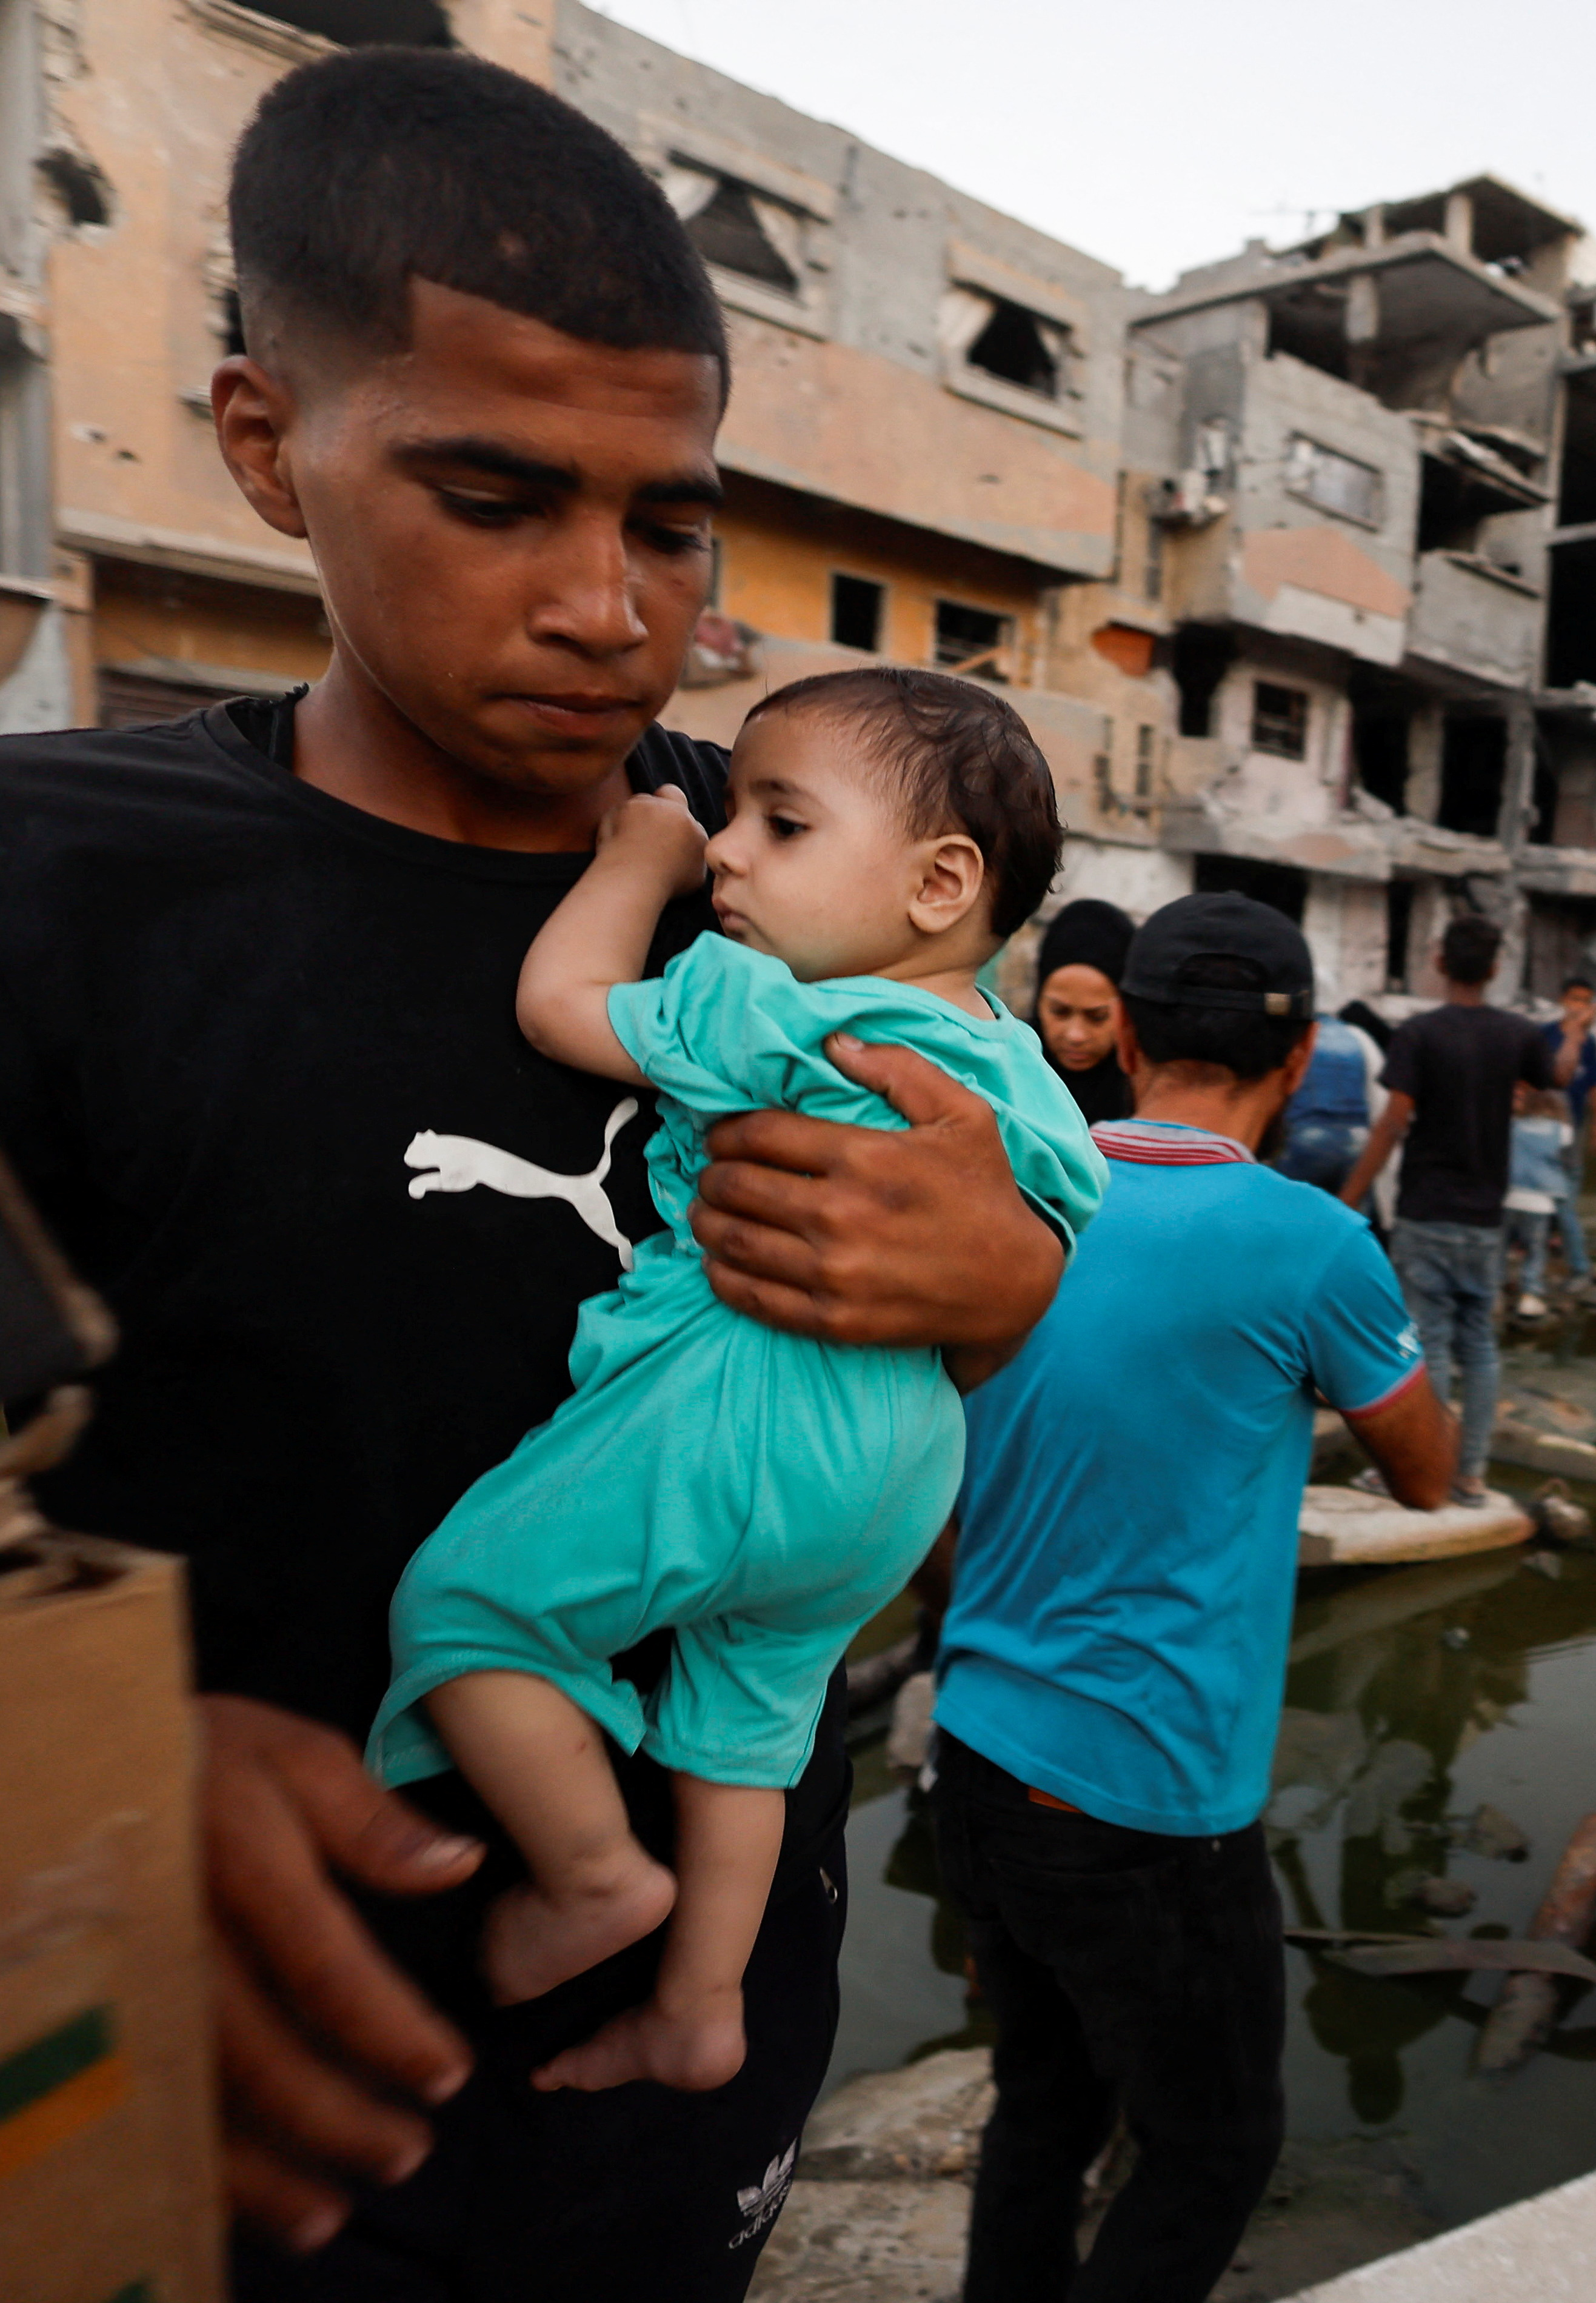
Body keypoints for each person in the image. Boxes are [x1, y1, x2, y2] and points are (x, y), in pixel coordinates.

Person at [0, 52, 1062, 2303]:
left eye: (671, 522)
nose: (616, 609)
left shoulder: (790, 856)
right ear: (268, 442)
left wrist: (1000, 1279)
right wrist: (74, 1728)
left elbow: (994, 1238)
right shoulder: (8, 877)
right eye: (495, 495)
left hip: (696, 2024)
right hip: (231, 2062)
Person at [367, 669, 1102, 2094]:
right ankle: (701, 2005)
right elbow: (1058, 1219)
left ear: (941, 882)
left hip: (745, 1401)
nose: (724, 848)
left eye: (779, 823)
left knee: (469, 1606)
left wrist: (632, 866)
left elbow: (559, 1003)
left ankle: (589, 1875)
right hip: (895, 1461)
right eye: (726, 824)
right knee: (751, 1712)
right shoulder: (1009, 1066)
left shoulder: (777, 1014)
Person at [937, 894, 1456, 2303]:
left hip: (976, 1749)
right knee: (1216, 2150)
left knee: (1042, 2114)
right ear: (1297, 1065)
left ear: (1134, 1031)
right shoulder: (1307, 1243)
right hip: (1152, 1804)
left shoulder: (1018, 1190)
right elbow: (1424, 1472)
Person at [1339, 917, 1570, 1502]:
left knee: (1429, 1345)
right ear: (1495, 969)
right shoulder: (1517, 1034)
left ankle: (1427, 1474)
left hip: (1426, 1211)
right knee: (1480, 1346)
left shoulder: (1419, 1034)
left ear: (1439, 963)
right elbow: (1555, 1080)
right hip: (1486, 1218)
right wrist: (1576, 1033)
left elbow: (1393, 1123)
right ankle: (1470, 1475)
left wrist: (1348, 1200)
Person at [1030, 897, 1135, 1125]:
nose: (1075, 1035)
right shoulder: (1005, 1080)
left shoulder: (1147, 1097)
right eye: (1059, 1012)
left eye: (1097, 1017)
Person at [1276, 1006, 1381, 1196]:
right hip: (1356, 1141)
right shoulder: (1356, 1037)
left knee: (1293, 1216)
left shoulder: (1298, 1034)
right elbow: (1378, 1091)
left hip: (1304, 1138)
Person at [1504, 1081, 1579, 1312]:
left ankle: (1495, 1285)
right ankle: (1530, 1291)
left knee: (1500, 1245)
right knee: (1536, 1250)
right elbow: (1568, 1160)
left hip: (1510, 1198)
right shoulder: (1562, 1131)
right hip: (1541, 1203)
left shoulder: (1514, 1126)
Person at [1552, 978, 1596, 1157]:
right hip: (1547, 1120)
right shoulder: (1544, 1035)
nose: (1579, 1006)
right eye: (1575, 999)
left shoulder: (1589, 1043)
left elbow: (1594, 1086)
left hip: (1575, 1120)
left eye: (1586, 1001)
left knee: (1572, 1169)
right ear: (1563, 1000)